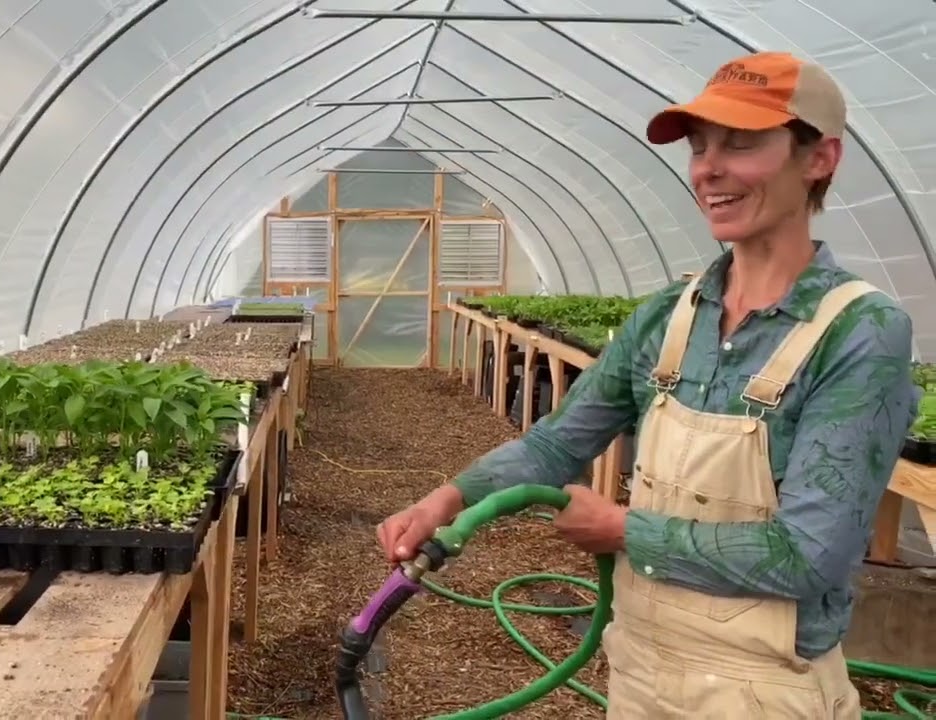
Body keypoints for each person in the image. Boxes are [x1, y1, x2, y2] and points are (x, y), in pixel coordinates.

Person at [377, 51, 919, 718]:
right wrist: (448, 498)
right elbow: (555, 446)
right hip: (640, 671)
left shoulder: (859, 332)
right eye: (699, 147)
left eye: (741, 143)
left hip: (766, 690)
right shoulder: (670, 316)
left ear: (819, 158)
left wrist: (623, 529)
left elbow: (811, 556)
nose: (708, 169)